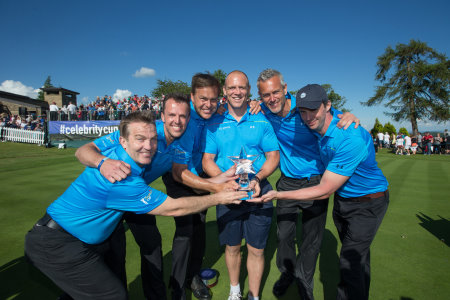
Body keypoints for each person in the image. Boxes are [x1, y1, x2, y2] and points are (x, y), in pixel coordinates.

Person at [25, 111, 247, 300]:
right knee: (112, 295)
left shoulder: (128, 158)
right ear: (123, 141)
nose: (148, 146)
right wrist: (219, 198)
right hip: (57, 244)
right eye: (140, 139)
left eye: (152, 140)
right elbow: (173, 208)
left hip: (78, 240)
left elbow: (182, 174)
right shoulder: (121, 177)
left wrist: (222, 178)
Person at [253, 84, 389, 300]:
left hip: (367, 201)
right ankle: (289, 276)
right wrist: (253, 103)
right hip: (343, 200)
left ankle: (307, 285)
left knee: (349, 262)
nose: (308, 117)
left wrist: (278, 195)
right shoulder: (314, 127)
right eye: (303, 111)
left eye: (313, 110)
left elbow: (325, 190)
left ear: (328, 106)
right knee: (356, 258)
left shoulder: (348, 135)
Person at [164, 73, 260, 300]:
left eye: (213, 99)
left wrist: (254, 104)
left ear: (220, 99)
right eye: (203, 99)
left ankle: (193, 275)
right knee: (185, 232)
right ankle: (178, 288)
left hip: (203, 179)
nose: (208, 104)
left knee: (198, 229)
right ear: (192, 97)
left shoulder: (216, 114)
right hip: (182, 178)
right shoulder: (187, 121)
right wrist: (215, 188)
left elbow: (241, 109)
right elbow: (179, 172)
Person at [202, 71, 280, 300]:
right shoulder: (214, 121)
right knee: (232, 247)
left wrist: (257, 179)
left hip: (258, 191)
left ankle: (253, 295)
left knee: (256, 249)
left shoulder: (261, 119)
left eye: (242, 88)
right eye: (232, 88)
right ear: (225, 91)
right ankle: (235, 290)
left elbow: (273, 156)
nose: (237, 92)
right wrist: (226, 183)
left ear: (248, 91)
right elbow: (207, 160)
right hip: (228, 194)